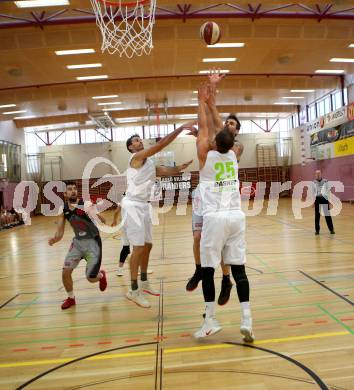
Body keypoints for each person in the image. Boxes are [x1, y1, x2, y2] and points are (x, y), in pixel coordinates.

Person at [194, 82, 254, 342]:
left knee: (208, 269)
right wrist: (212, 100)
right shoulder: (233, 156)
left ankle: (210, 320)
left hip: (216, 219)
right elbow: (220, 130)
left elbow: (207, 128)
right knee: (239, 270)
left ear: (213, 143)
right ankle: (247, 319)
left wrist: (201, 101)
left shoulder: (205, 156)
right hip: (236, 218)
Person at [186, 71, 244, 307]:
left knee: (219, 245)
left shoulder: (236, 148)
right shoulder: (217, 143)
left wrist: (209, 96)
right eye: (227, 121)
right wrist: (211, 91)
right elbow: (211, 122)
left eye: (233, 124)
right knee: (198, 237)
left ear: (236, 132)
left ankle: (226, 278)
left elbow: (213, 122)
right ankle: (199, 270)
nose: (228, 124)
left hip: (223, 205)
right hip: (205, 197)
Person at [122, 123, 194, 308]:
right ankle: (133, 290)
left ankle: (144, 282)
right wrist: (179, 129)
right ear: (131, 147)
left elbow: (166, 171)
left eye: (139, 139)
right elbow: (161, 145)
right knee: (137, 248)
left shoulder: (150, 163)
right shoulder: (136, 157)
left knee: (148, 245)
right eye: (136, 140)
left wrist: (179, 168)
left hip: (144, 206)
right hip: (132, 206)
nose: (139, 142)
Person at [48, 181, 108, 310]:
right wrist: (55, 239)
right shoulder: (63, 209)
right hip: (78, 243)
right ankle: (71, 298)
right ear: (65, 194)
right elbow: (60, 231)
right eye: (70, 189)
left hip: (93, 243)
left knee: (90, 278)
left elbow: (103, 220)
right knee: (65, 272)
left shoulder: (85, 205)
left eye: (75, 189)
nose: (73, 191)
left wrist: (94, 211)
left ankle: (101, 276)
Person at [312, 170, 335, 235]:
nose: (318, 175)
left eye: (319, 173)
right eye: (317, 174)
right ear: (315, 175)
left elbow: (328, 191)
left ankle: (331, 230)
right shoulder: (313, 182)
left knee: (327, 215)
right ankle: (317, 231)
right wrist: (314, 201)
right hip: (317, 199)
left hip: (324, 199)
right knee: (317, 216)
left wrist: (329, 201)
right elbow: (313, 192)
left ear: (321, 174)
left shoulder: (325, 181)